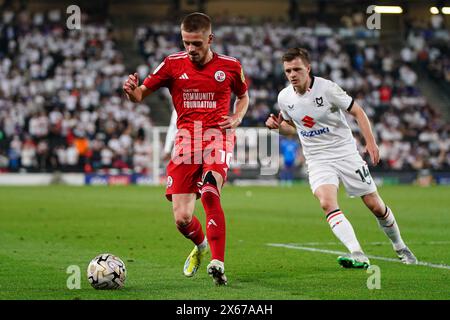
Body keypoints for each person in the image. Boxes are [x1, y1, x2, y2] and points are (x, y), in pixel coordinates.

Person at [123, 12, 249, 285]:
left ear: (210, 39)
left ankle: (218, 263)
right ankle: (202, 247)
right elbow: (140, 94)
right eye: (186, 43)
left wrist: (237, 117)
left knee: (210, 193)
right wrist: (131, 91)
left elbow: (243, 95)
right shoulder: (171, 64)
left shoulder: (230, 66)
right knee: (182, 218)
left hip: (218, 137)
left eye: (197, 44)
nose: (191, 49)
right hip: (185, 143)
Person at [265, 48, 417, 268]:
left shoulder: (327, 89)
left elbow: (358, 112)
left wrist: (371, 142)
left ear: (308, 68)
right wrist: (278, 128)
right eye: (288, 70)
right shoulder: (284, 98)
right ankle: (357, 253)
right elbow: (294, 129)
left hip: (345, 153)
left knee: (375, 205)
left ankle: (400, 246)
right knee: (327, 203)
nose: (292, 74)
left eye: (297, 69)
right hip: (317, 159)